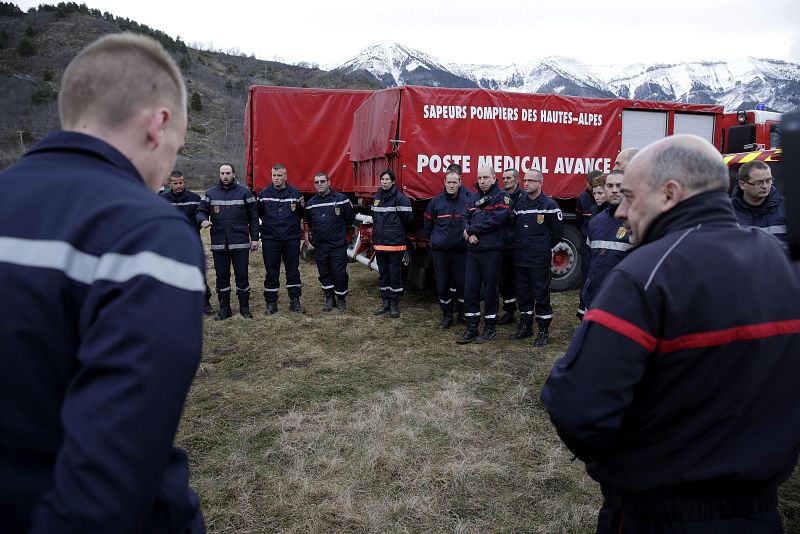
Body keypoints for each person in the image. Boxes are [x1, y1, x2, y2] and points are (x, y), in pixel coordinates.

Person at [541, 134, 800, 533]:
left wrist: (624, 467)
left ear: (669, 193)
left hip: (658, 514)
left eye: (629, 195)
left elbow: (577, 406)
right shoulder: (781, 265)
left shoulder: (645, 275)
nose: (622, 211)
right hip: (760, 514)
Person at [0, 33, 205, 532]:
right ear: (158, 126)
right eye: (177, 147)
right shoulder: (147, 234)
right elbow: (106, 486)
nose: (169, 170)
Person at [196, 163, 260, 320]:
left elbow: (253, 218)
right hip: (219, 244)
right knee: (221, 276)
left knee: (242, 276)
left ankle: (244, 308)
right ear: (219, 175)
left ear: (234, 174)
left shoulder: (245, 192)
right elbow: (200, 211)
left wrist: (255, 239)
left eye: (228, 173)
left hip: (240, 243)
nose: (225, 176)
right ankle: (225, 309)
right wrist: (203, 220)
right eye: (222, 173)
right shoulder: (210, 193)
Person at [457, 165, 512, 344]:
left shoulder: (501, 196)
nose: (482, 181)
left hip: (491, 251)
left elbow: (497, 219)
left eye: (486, 178)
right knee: (471, 288)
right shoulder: (473, 197)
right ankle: (472, 327)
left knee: (490, 290)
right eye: (480, 178)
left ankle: (490, 328)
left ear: (494, 178)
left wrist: (473, 230)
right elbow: (464, 217)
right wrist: (467, 231)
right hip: (473, 251)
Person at [510, 169, 563, 346]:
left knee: (541, 294)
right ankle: (526, 326)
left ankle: (543, 330)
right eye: (525, 180)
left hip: (539, 259)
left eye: (531, 181)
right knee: (523, 293)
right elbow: (513, 229)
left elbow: (557, 235)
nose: (526, 184)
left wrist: (541, 248)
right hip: (521, 258)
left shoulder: (550, 205)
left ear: (541, 183)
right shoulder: (519, 205)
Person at [423, 165, 473, 328]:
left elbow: (473, 223)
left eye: (454, 182)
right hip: (441, 252)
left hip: (461, 252)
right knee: (443, 283)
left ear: (460, 183)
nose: (451, 185)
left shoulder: (467, 202)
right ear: (444, 182)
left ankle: (463, 313)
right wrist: (436, 240)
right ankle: (446, 315)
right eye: (449, 182)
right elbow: (427, 225)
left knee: (462, 283)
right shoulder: (436, 202)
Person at [577, 170, 631, 319]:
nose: (614, 190)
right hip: (595, 298)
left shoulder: (638, 222)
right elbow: (592, 262)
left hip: (624, 301)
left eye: (620, 186)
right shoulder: (595, 222)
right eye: (610, 186)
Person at [160, 170, 215, 316]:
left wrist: (202, 222)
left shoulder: (195, 198)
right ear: (169, 184)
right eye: (175, 183)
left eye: (181, 183)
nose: (179, 186)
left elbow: (200, 214)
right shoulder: (162, 200)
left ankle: (204, 303)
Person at [258, 163, 306, 314]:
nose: (276, 178)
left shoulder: (296, 195)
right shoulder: (263, 194)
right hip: (270, 239)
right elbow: (258, 214)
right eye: (274, 175)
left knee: (292, 270)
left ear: (286, 176)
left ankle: (295, 301)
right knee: (271, 271)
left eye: (279, 175)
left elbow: (301, 213)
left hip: (290, 239)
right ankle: (271, 303)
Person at [305, 171, 355, 311]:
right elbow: (310, 222)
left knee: (339, 273)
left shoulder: (341, 199)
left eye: (322, 181)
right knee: (324, 273)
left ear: (329, 182)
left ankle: (341, 298)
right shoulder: (310, 204)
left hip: (337, 245)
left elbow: (349, 218)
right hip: (320, 246)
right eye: (317, 182)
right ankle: (329, 298)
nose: (320, 184)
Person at [371, 169, 413, 318]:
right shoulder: (377, 197)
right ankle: (385, 302)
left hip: (395, 245)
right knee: (383, 275)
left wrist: (396, 232)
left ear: (393, 181)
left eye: (387, 179)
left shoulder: (401, 199)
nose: (384, 182)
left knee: (395, 275)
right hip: (380, 244)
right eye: (382, 179)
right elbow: (375, 219)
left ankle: (394, 304)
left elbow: (407, 220)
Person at [730, 160, 787, 244]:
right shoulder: (728, 210)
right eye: (758, 183)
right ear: (742, 184)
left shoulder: (787, 208)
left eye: (768, 181)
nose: (765, 186)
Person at [497, 168, 525, 326]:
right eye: (503, 178)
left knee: (520, 281)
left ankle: (525, 312)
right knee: (504, 279)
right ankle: (509, 310)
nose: (506, 180)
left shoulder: (523, 197)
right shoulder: (501, 196)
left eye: (509, 178)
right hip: (504, 245)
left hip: (518, 246)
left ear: (517, 180)